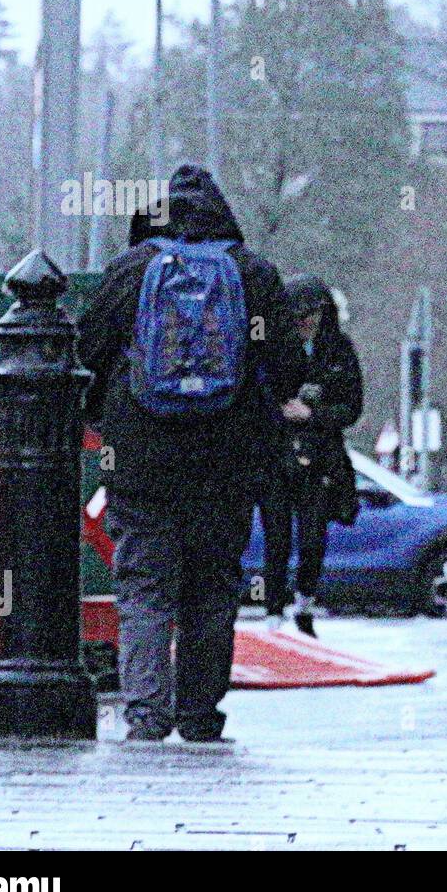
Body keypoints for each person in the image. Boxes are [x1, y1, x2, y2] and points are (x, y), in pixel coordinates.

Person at [80, 164, 292, 743]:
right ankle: (201, 715)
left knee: (145, 589)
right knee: (212, 587)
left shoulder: (130, 273)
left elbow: (85, 357)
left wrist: (105, 416)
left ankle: (146, 717)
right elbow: (290, 371)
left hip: (141, 464)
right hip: (227, 464)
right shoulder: (252, 274)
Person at [259, 275, 364, 637]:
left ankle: (304, 605)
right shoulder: (273, 349)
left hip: (320, 459)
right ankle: (273, 613)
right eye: (298, 315)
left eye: (312, 314)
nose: (305, 322)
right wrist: (280, 412)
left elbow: (352, 407)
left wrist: (313, 416)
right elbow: (256, 398)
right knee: (276, 538)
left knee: (313, 537)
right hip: (277, 455)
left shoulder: (339, 351)